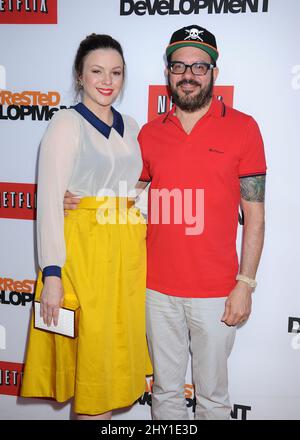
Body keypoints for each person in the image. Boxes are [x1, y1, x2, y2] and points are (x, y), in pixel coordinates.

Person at [64, 25, 266, 420]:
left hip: (216, 292)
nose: (188, 74)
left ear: (213, 73)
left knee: (213, 399)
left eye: (199, 66)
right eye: (179, 66)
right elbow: (125, 196)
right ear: (168, 73)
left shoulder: (244, 128)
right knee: (166, 395)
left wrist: (245, 284)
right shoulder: (149, 134)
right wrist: (79, 199)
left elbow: (255, 215)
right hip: (155, 291)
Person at [21, 33, 152, 420]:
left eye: (116, 72)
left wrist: (135, 203)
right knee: (92, 376)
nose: (107, 80)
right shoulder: (65, 123)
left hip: (125, 260)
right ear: (80, 75)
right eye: (96, 71)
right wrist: (53, 274)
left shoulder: (130, 125)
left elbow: (132, 183)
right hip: (83, 258)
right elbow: (48, 202)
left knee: (113, 375)